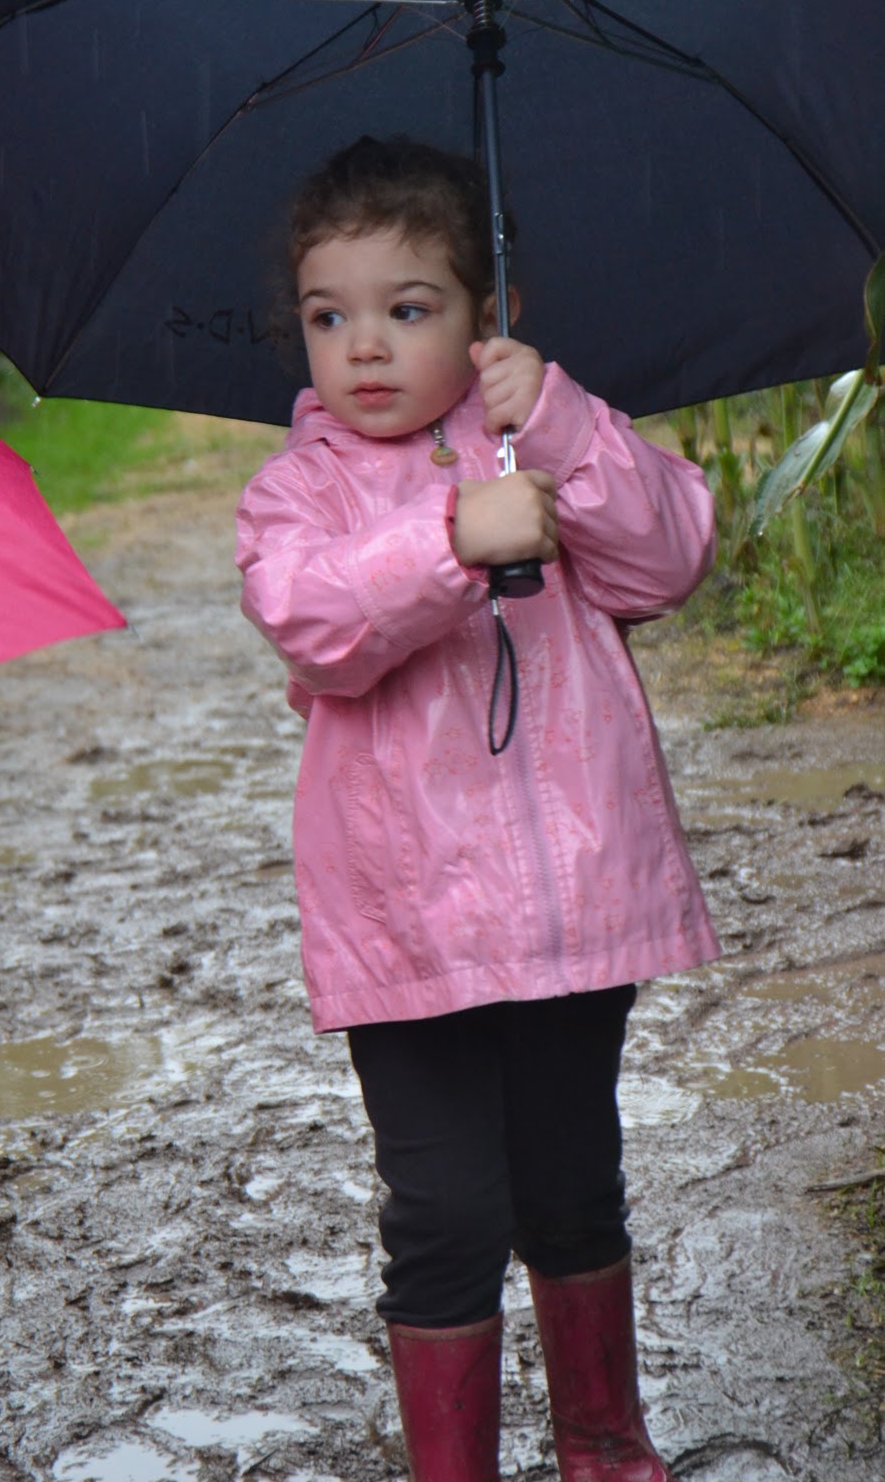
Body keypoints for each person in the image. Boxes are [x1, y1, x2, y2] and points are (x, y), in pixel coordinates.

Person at [235, 136, 720, 1482]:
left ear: (489, 312)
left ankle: (605, 1446)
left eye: (409, 308)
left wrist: (557, 424)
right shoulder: (300, 492)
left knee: (571, 1187)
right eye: (329, 316)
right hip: (407, 928)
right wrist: (451, 538)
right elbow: (312, 623)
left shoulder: (540, 440)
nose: (364, 347)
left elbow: (668, 558)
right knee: (446, 1211)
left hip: (575, 906)